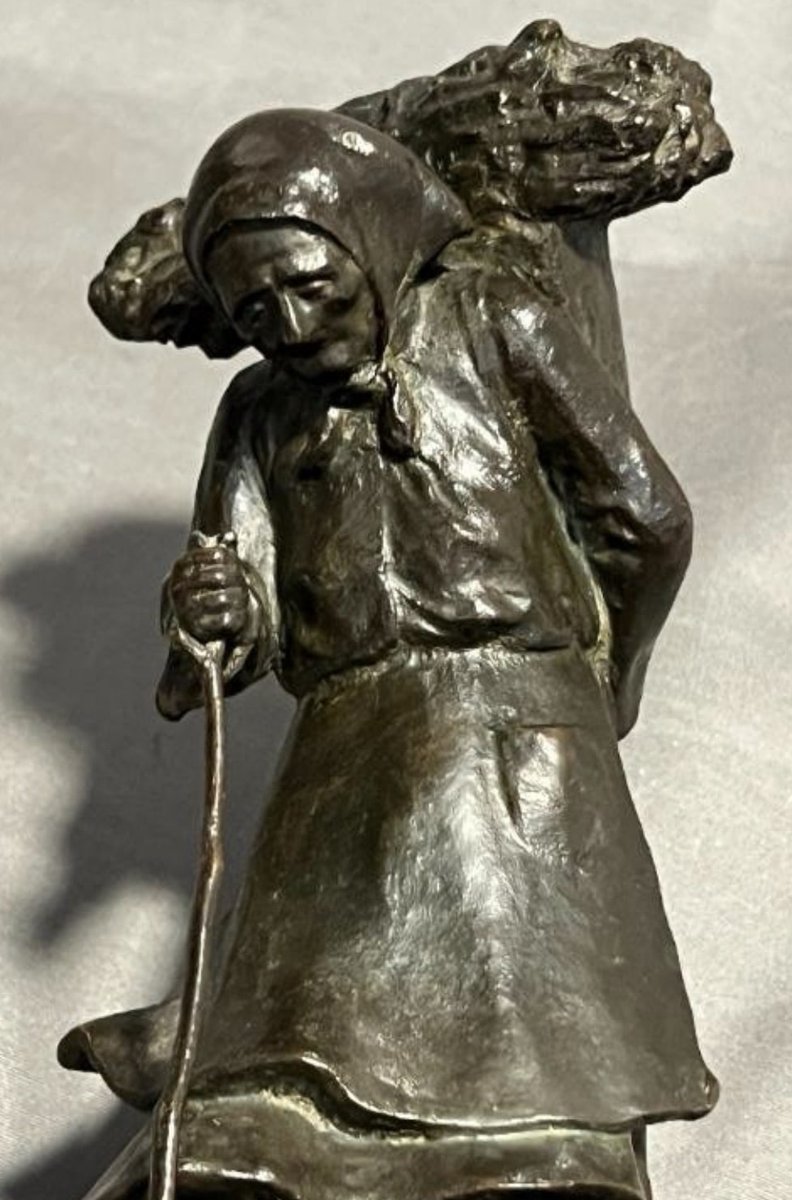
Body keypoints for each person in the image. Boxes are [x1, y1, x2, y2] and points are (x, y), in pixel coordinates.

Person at [60, 108, 717, 1200]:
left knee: (526, 1036)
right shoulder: (259, 411)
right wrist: (214, 613)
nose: (291, 323)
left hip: (509, 733)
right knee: (291, 1050)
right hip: (340, 765)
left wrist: (605, 674)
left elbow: (644, 516)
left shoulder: (492, 320)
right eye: (256, 310)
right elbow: (235, 612)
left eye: (312, 286)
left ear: (367, 239)